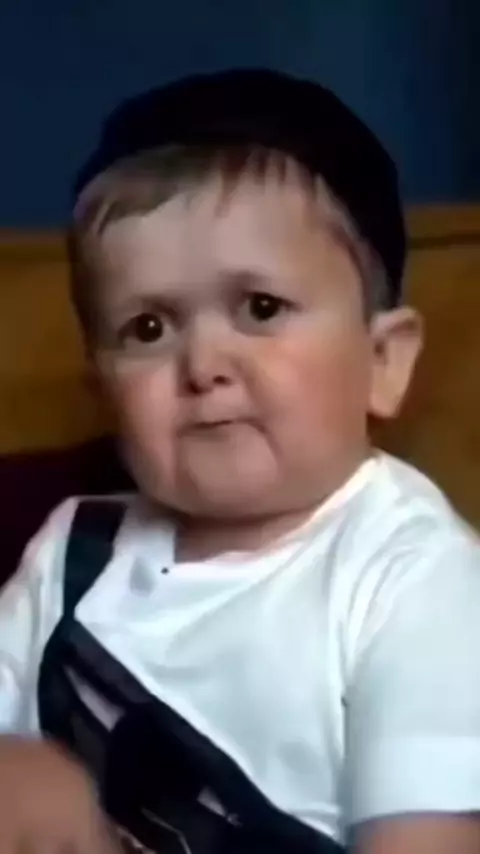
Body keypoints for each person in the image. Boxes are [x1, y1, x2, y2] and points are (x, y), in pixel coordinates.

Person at [0, 68, 479, 854]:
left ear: (383, 360)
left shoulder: (411, 577)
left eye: (260, 308)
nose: (203, 365)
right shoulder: (69, 555)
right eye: (148, 328)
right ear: (106, 392)